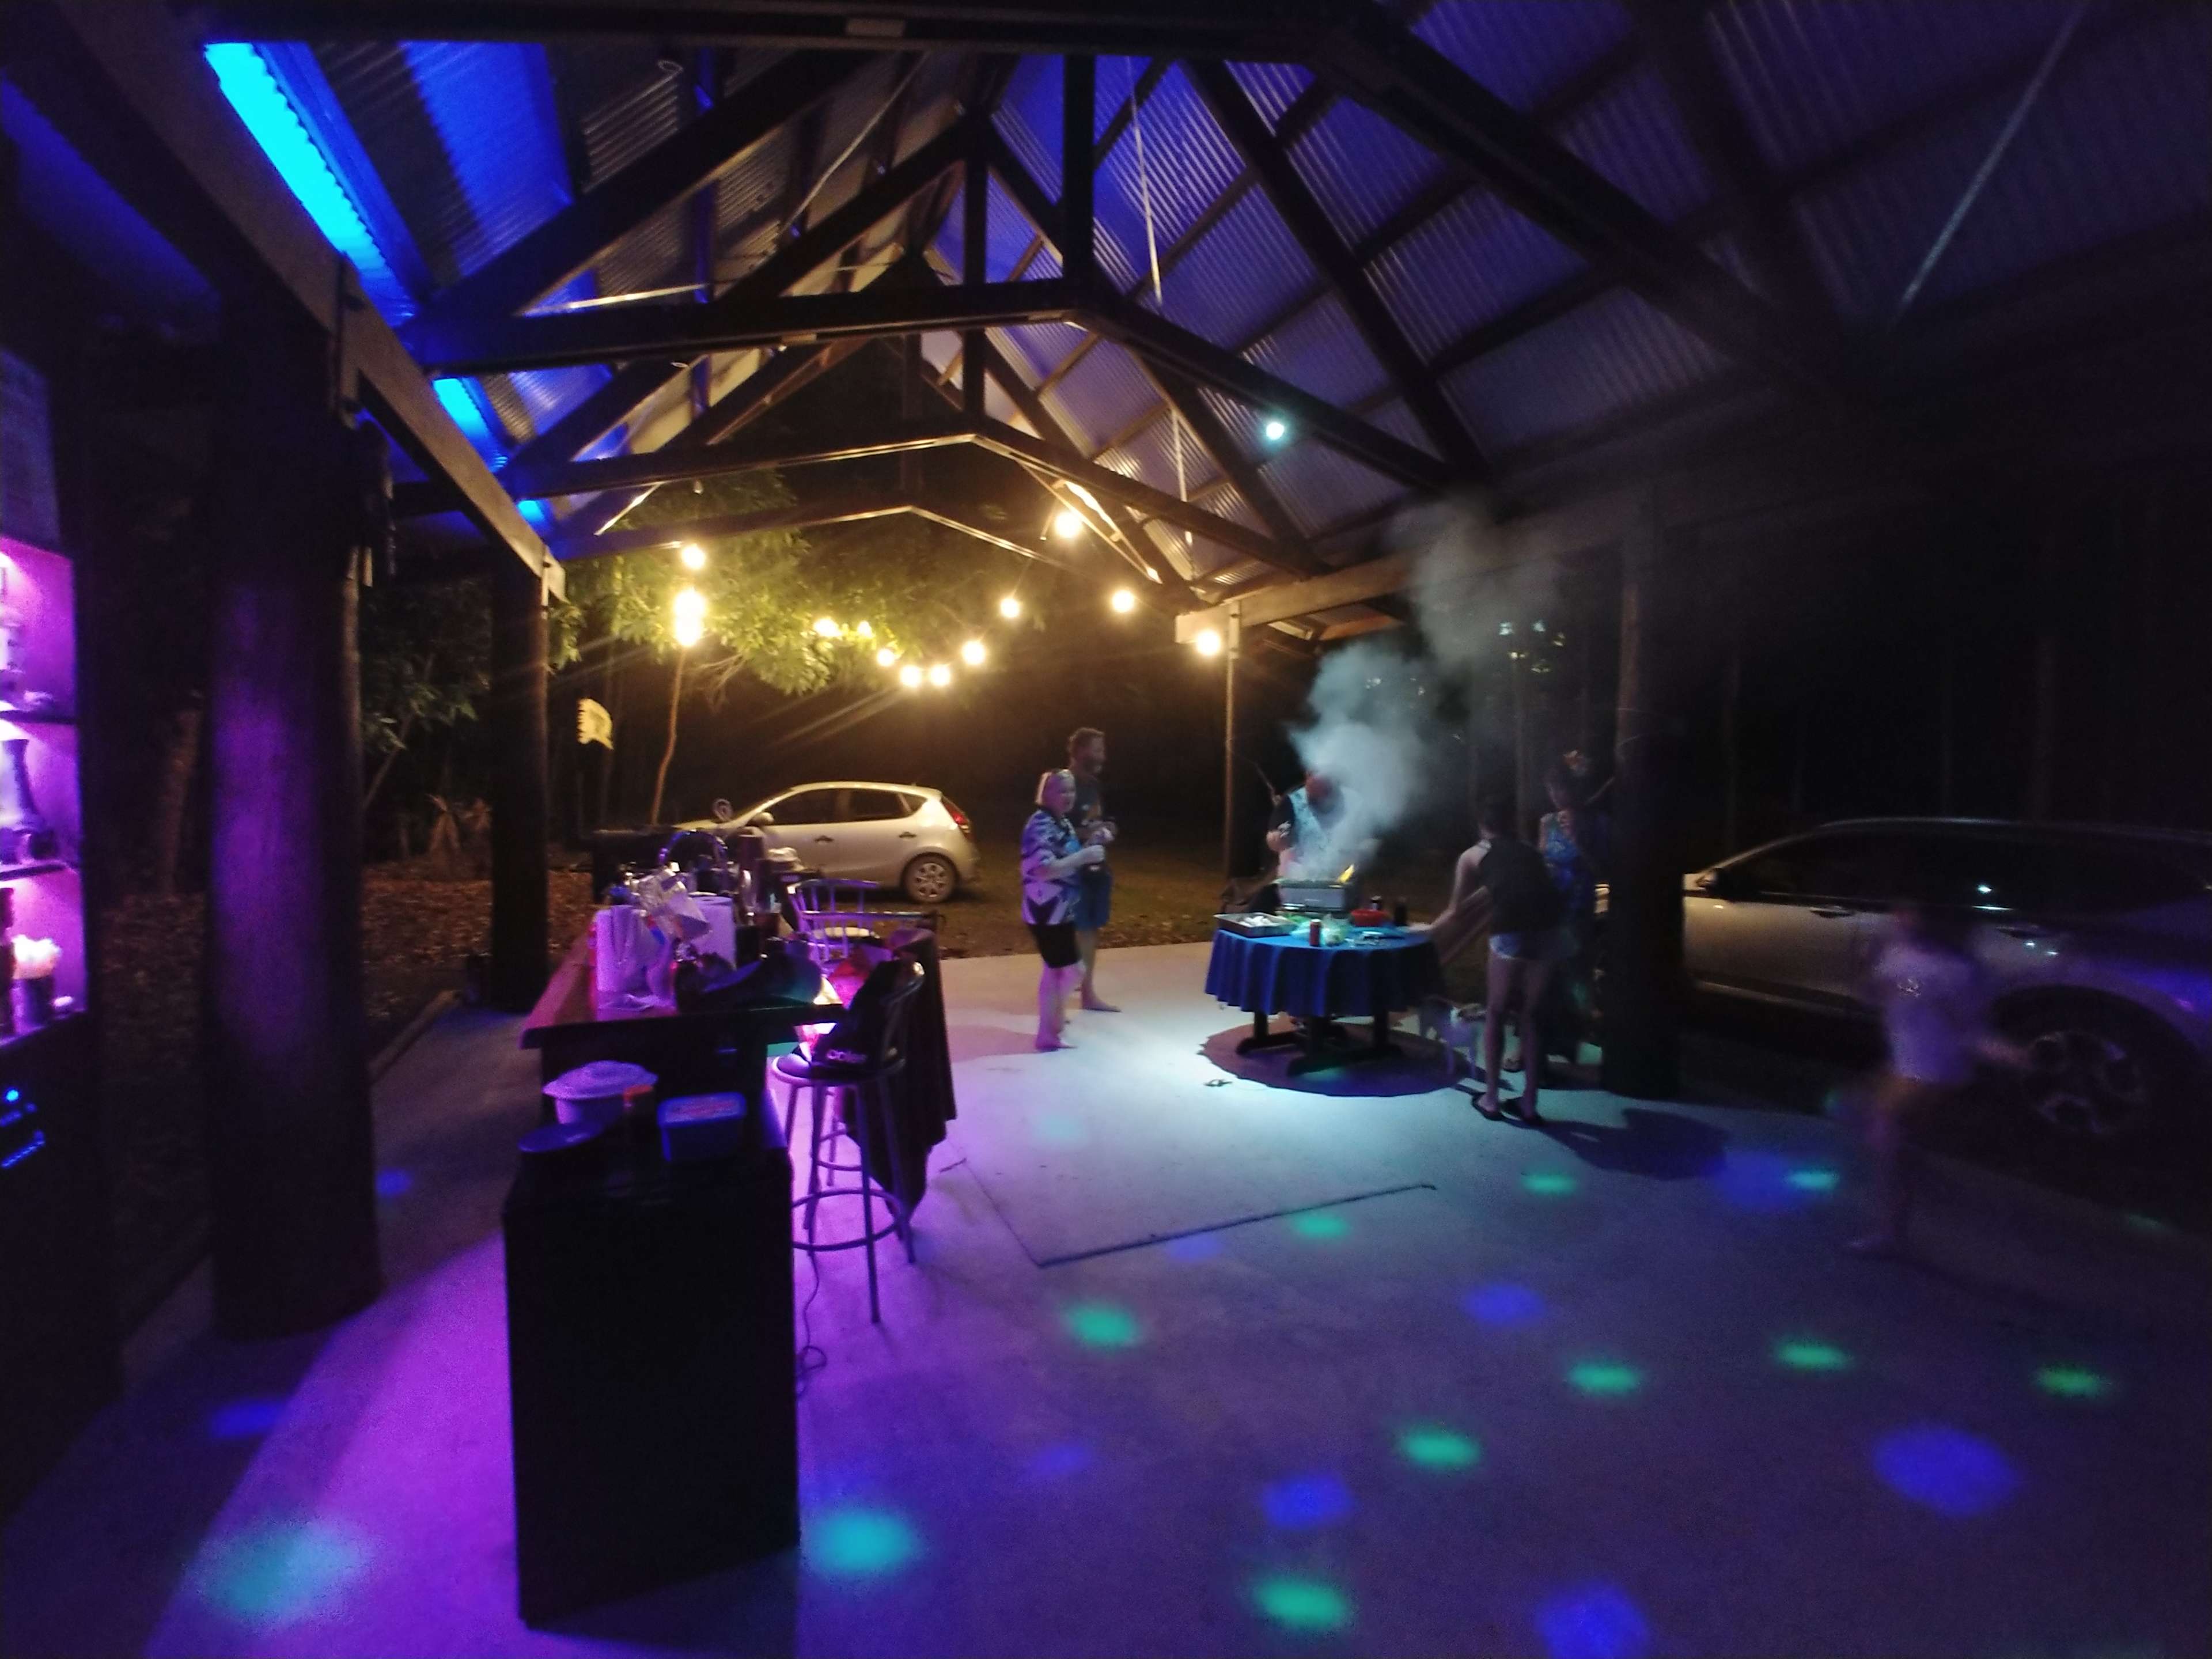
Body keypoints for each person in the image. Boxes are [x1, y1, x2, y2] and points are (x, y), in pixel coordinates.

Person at [1851, 902, 2024, 1257]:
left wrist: (2006, 1052)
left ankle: (1892, 1233)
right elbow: (1877, 995)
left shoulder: (1958, 971)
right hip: (1906, 1064)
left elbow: (1968, 1028)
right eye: (1901, 911)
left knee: (1892, 1143)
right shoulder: (1899, 954)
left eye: (1909, 912)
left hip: (1932, 1069)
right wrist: (1870, 966)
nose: (1899, 917)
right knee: (1889, 1139)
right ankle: (1901, 1221)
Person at [1433, 800, 1572, 1123]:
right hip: (1552, 930)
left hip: (1512, 930)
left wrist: (1429, 931)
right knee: (1533, 1016)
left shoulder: (1473, 855)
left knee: (1496, 1012)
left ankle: (1492, 1099)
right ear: (1511, 824)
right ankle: (1529, 1105)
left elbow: (1456, 912)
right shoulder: (1530, 852)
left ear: (1482, 825)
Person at [1020, 769, 1106, 1052]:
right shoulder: (1041, 824)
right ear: (1046, 793)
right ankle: (1051, 1026)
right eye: (1062, 790)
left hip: (1059, 909)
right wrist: (1085, 856)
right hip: (1047, 911)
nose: (1069, 796)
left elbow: (1067, 857)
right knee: (1073, 971)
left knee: (1054, 971)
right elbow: (1043, 869)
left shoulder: (1060, 821)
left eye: (1071, 790)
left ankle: (1050, 1029)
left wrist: (1092, 844)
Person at [1536, 761, 1609, 1066]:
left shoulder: (1597, 822)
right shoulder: (1548, 822)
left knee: (1577, 980)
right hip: (1549, 910)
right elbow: (1541, 861)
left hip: (1578, 911)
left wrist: (1579, 840)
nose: (1555, 795)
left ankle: (1575, 1043)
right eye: (1551, 789)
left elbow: (1602, 870)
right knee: (1543, 980)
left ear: (1574, 789)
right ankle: (1535, 1049)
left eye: (1561, 788)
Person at [1066, 727, 1118, 1013]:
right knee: (1076, 933)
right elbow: (1053, 829)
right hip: (1072, 871)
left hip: (1097, 869)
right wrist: (1086, 833)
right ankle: (1078, 995)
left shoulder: (1094, 785)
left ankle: (1085, 991)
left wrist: (1109, 829)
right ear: (1080, 751)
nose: (1103, 756)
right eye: (1097, 750)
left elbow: (1104, 819)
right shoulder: (1064, 785)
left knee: (1090, 932)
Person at [1265, 770, 1377, 888]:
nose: (1320, 801)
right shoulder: (1292, 802)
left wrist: (1363, 853)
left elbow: (1373, 840)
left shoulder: (1355, 802)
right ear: (1307, 778)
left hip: (1344, 880)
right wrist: (1275, 840)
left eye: (1324, 793)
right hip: (1300, 881)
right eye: (1314, 795)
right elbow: (1274, 839)